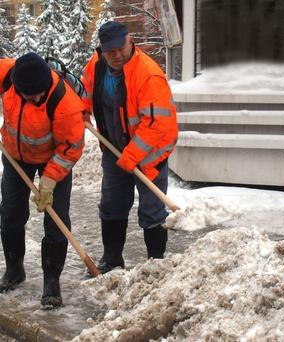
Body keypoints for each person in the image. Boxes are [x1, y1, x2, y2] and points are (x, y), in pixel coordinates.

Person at [81, 21, 178, 273]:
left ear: (129, 41)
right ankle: (112, 260)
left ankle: (154, 265)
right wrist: (82, 109)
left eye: (119, 48)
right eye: (109, 50)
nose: (115, 55)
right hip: (114, 149)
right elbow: (86, 87)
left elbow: (156, 125)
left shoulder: (148, 74)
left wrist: (132, 155)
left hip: (149, 155)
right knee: (111, 205)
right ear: (101, 49)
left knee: (152, 210)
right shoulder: (97, 65)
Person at [0, 53, 85, 308]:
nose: (36, 99)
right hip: (16, 157)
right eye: (29, 95)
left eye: (39, 94)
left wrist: (49, 181)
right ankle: (14, 270)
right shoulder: (7, 74)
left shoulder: (64, 102)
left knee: (56, 219)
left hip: (54, 158)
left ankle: (51, 283)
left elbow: (71, 147)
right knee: (10, 213)